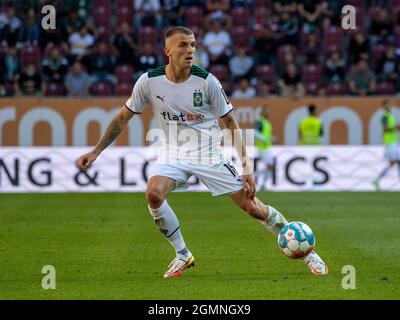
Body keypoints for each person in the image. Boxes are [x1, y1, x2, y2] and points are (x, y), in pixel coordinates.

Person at [75, 26, 328, 279]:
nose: (190, 50)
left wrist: (246, 167)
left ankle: (308, 252)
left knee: (254, 209)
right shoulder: (148, 81)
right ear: (168, 51)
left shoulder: (207, 82)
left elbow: (230, 123)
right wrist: (96, 152)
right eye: (183, 45)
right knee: (153, 193)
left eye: (193, 45)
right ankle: (183, 254)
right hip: (172, 153)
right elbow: (122, 118)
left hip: (209, 155)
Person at [372, 100, 400, 191]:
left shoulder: (391, 116)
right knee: (395, 162)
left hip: (394, 142)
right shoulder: (384, 116)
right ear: (384, 106)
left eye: (390, 104)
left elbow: (392, 129)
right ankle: (376, 179)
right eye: (387, 104)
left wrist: (397, 128)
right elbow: (385, 129)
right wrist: (395, 127)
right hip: (389, 143)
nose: (390, 105)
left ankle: (376, 179)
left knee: (393, 163)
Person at [254, 105, 274, 191]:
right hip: (262, 148)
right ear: (262, 111)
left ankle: (263, 185)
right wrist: (264, 139)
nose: (268, 112)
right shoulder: (259, 121)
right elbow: (255, 132)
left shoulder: (265, 122)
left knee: (270, 166)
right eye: (267, 111)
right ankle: (252, 176)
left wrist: (271, 138)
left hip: (266, 147)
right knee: (270, 166)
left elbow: (265, 134)